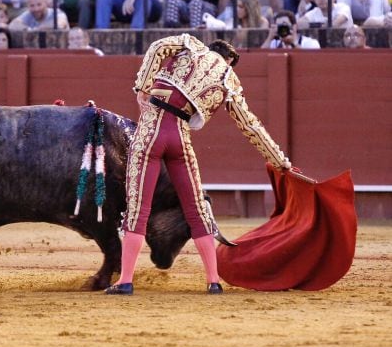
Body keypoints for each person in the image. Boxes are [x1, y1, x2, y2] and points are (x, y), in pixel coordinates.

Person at [104, 35, 291, 296]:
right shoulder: (229, 79)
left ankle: (125, 281)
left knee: (138, 209)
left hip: (151, 131)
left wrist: (142, 88)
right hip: (181, 138)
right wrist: (279, 160)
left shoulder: (190, 44)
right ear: (228, 60)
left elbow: (158, 47)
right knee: (196, 211)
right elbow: (250, 125)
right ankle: (213, 281)